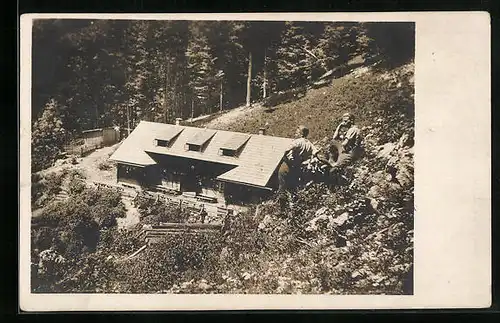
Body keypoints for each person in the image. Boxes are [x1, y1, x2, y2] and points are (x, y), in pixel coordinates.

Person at [277, 125, 329, 211]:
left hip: (287, 165)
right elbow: (318, 155)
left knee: (282, 185)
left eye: (297, 132)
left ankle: (282, 209)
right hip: (297, 167)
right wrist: (329, 163)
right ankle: (294, 208)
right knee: (293, 186)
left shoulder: (297, 142)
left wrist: (285, 157)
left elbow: (287, 150)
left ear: (301, 134)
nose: (295, 133)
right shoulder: (309, 144)